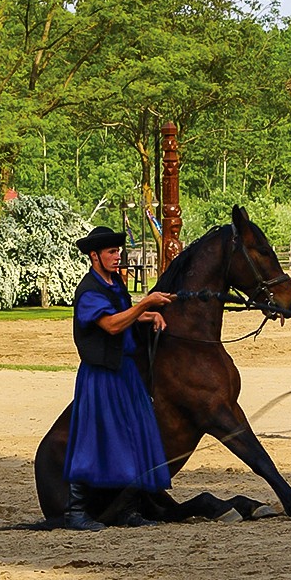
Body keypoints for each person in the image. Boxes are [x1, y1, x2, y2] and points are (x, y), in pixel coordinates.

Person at [64, 226, 174, 531]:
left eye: (118, 251)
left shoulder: (113, 284)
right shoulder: (88, 291)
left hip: (123, 372)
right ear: (94, 256)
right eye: (111, 252)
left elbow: (124, 313)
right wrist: (145, 304)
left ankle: (127, 511)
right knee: (93, 439)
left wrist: (148, 315)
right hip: (100, 375)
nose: (118, 256)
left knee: (136, 435)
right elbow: (111, 325)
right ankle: (75, 512)